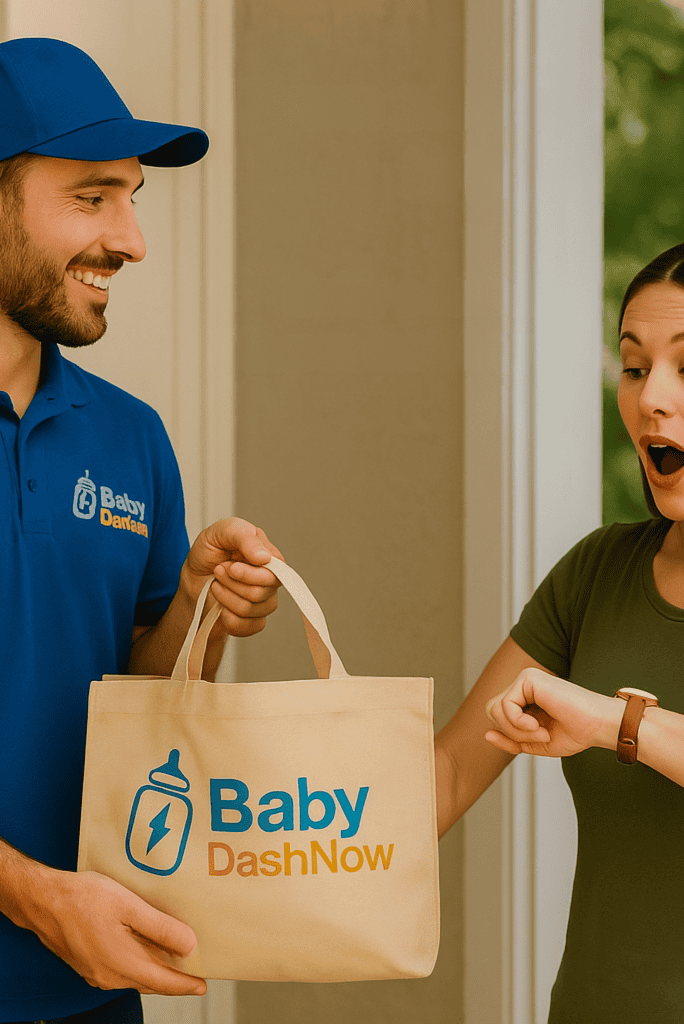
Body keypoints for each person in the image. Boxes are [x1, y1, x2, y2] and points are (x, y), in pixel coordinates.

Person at [0, 37, 284, 1024]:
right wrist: (36, 897)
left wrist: (205, 611)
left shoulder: (131, 437)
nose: (131, 239)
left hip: (90, 989)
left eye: (133, 197)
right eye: (90, 197)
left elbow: (145, 702)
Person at [436, 240, 684, 1024]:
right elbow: (444, 777)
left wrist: (615, 723)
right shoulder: (596, 574)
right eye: (636, 366)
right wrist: (245, 840)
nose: (653, 400)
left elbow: (608, 725)